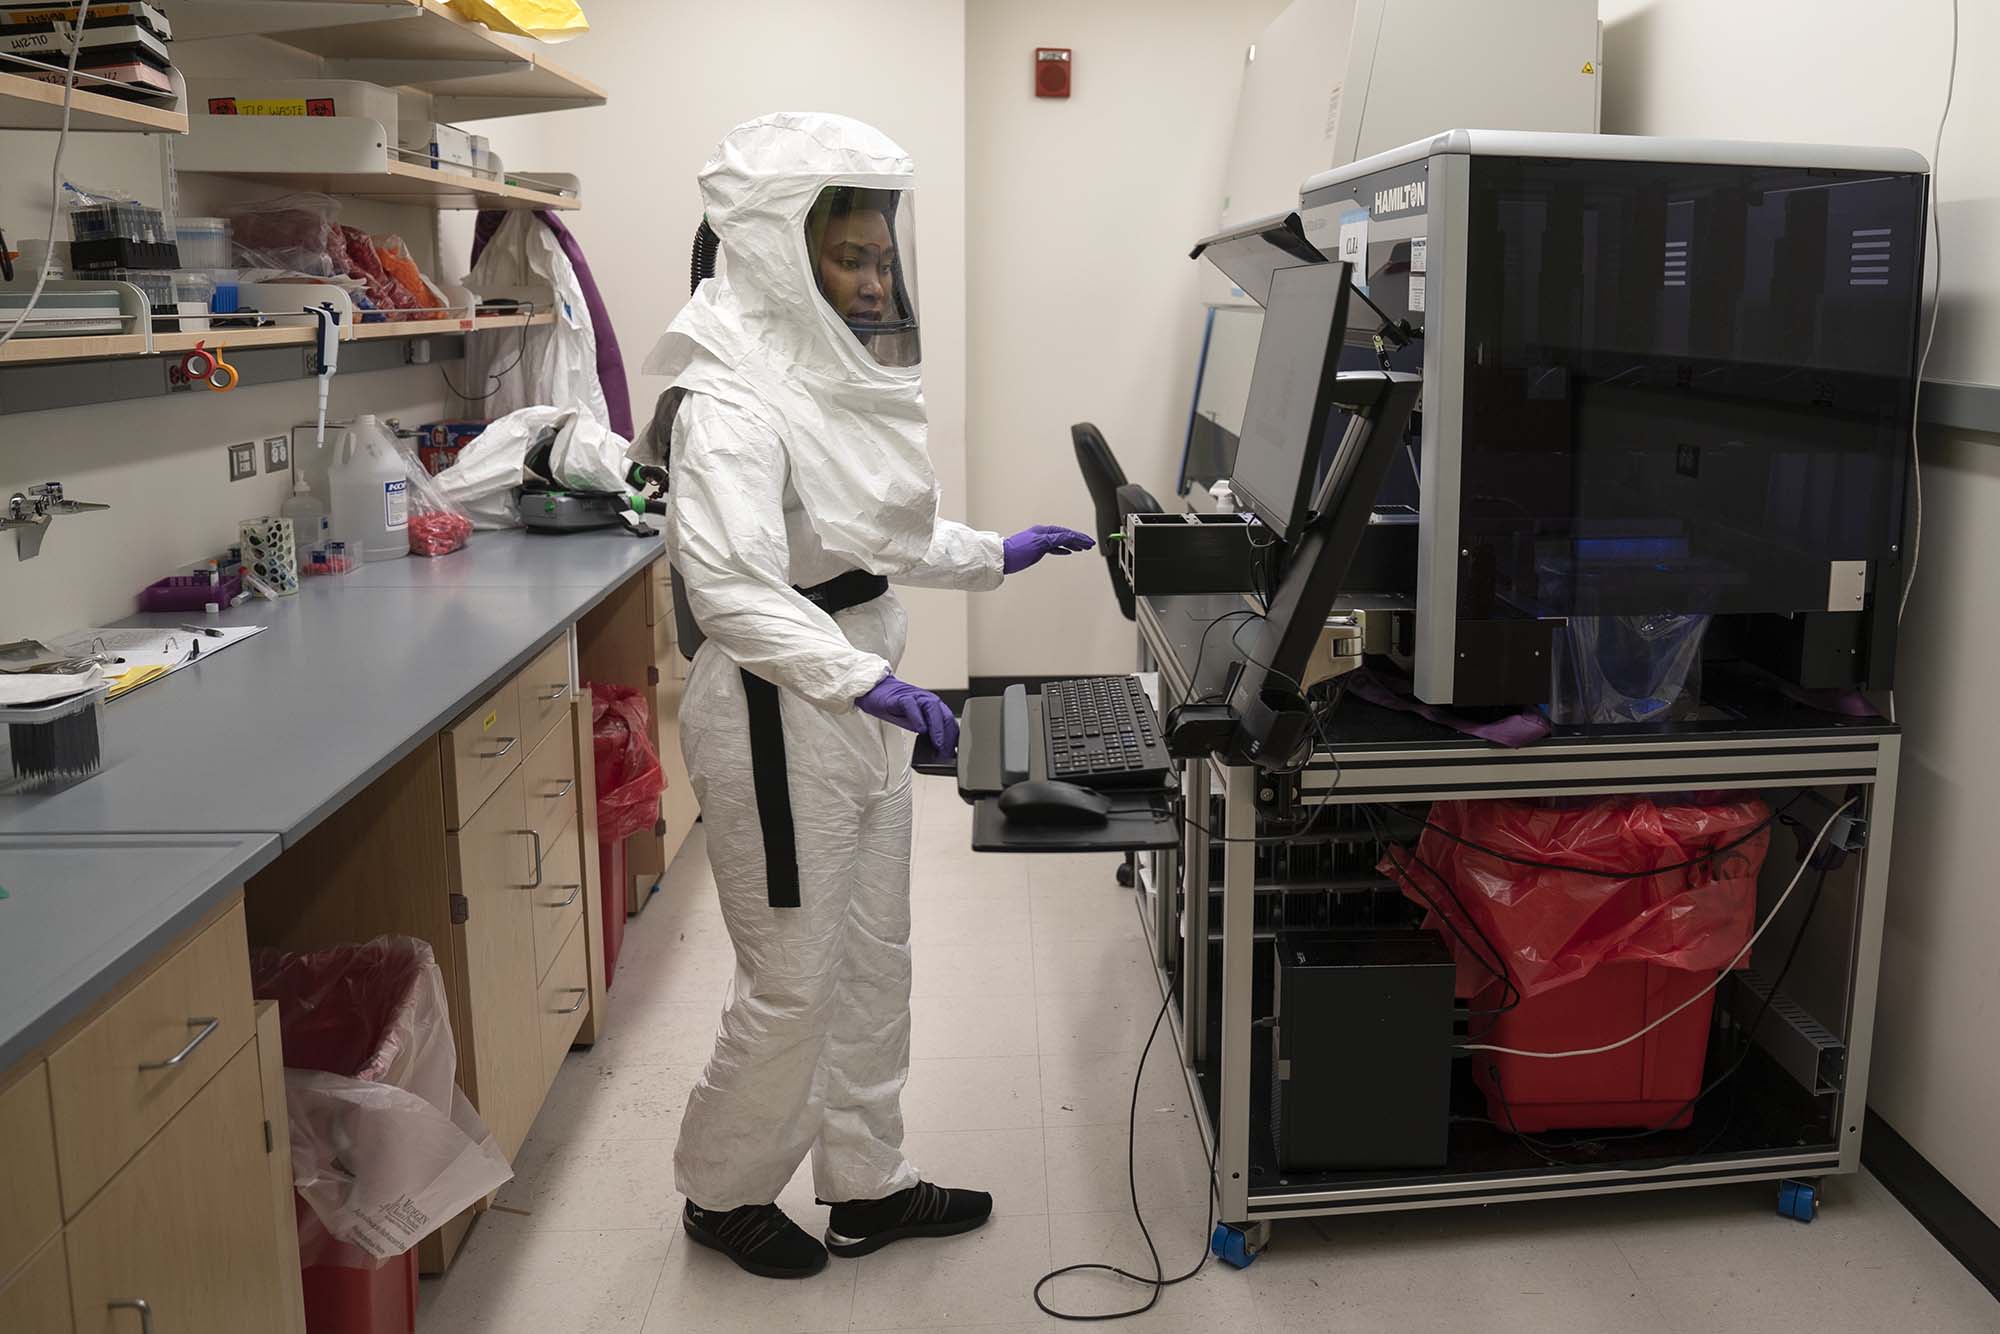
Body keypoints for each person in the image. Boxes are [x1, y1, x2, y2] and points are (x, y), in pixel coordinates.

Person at [641, 111, 1094, 1281]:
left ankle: (865, 1184)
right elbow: (733, 588)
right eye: (851, 255)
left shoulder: (819, 373)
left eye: (881, 255)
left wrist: (994, 552)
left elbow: (866, 532)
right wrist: (869, 683)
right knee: (791, 980)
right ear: (776, 252)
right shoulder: (726, 400)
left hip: (852, 694)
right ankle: (722, 1189)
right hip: (774, 715)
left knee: (873, 957)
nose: (874, 276)